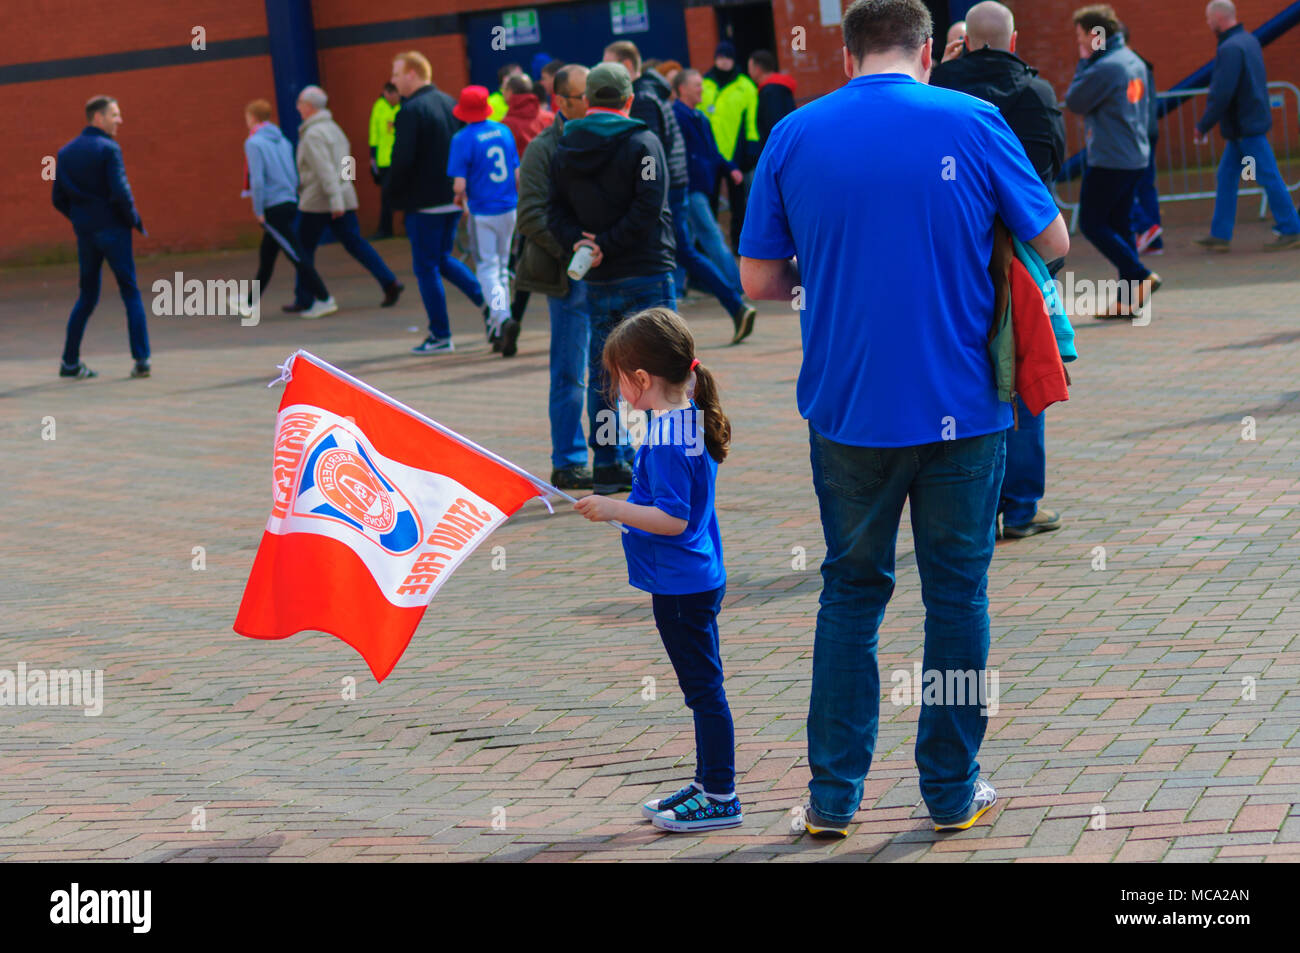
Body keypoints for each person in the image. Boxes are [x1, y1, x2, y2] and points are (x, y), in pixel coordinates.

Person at [739, 0, 1070, 838]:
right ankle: (952, 792)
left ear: (846, 56)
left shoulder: (795, 134)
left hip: (848, 406)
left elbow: (758, 282)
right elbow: (1056, 239)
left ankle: (833, 799)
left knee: (851, 593)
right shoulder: (976, 118)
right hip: (964, 402)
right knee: (957, 596)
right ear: (929, 50)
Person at [574, 307, 740, 833]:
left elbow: (672, 518)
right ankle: (708, 781)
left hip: (681, 585)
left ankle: (720, 795)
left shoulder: (669, 437)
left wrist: (614, 508)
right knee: (704, 687)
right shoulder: (686, 417)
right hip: (691, 579)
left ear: (641, 379)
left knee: (704, 691)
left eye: (617, 378)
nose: (615, 389)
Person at [930, 1, 1069, 540]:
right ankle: (1022, 504)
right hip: (1022, 249)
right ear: (1014, 41)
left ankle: (974, 505)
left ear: (966, 43)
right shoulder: (1035, 93)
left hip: (952, 251)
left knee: (964, 371)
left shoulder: (938, 90)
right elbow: (1050, 164)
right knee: (1025, 361)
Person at [548, 61, 676, 495]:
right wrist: (611, 242)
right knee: (662, 368)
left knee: (605, 373)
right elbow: (649, 206)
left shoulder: (565, 149)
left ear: (587, 101)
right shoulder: (643, 142)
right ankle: (665, 457)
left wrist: (586, 246)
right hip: (646, 271)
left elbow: (553, 211)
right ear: (628, 99)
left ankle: (607, 460)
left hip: (599, 279)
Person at [605, 40, 756, 344]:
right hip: (673, 186)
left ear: (626, 65)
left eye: (609, 62)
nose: (605, 69)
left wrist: (642, 190)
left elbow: (649, 151)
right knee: (679, 251)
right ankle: (730, 306)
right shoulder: (653, 91)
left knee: (675, 253)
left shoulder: (644, 97)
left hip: (666, 190)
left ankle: (726, 308)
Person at [517, 65, 593, 488]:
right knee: (570, 372)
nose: (594, 102)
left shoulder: (606, 137)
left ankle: (615, 453)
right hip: (571, 276)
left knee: (610, 373)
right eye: (585, 96)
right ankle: (568, 460)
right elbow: (529, 216)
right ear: (561, 101)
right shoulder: (542, 149)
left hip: (609, 273)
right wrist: (576, 250)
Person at [387, 51, 486, 355]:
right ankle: (493, 308)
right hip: (450, 199)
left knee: (426, 267)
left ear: (412, 74)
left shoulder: (410, 111)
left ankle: (440, 335)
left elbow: (402, 160)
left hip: (424, 203)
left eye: (396, 73)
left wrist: (392, 194)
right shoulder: (449, 104)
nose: (393, 80)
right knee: (443, 259)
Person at [1065, 4, 1160, 319]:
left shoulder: (1105, 67)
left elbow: (1076, 100)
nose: (1078, 44)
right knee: (1120, 225)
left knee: (1092, 223)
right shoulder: (1131, 59)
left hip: (1111, 157)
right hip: (1134, 154)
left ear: (1095, 36)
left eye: (1081, 37)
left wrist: (1083, 61)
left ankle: (1140, 273)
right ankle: (1128, 301)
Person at [51, 95, 151, 380]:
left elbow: (57, 198)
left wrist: (81, 218)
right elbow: (120, 191)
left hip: (86, 234)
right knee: (130, 291)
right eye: (115, 115)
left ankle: (70, 362)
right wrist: (132, 219)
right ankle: (142, 360)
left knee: (87, 296)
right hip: (114, 230)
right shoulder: (109, 149)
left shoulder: (66, 152)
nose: (120, 120)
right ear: (98, 118)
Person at [1192, 0, 1300, 251]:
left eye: (1208, 19)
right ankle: (1220, 234)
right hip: (1247, 125)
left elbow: (1223, 92)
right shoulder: (1249, 41)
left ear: (1218, 18)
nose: (1207, 24)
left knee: (1267, 175)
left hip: (1244, 128)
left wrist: (1204, 124)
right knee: (1228, 176)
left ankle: (1292, 228)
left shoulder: (1229, 48)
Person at [293, 85, 403, 316]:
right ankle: (389, 282)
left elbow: (323, 170)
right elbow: (347, 163)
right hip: (340, 196)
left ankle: (304, 297)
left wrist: (335, 199)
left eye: (301, 103)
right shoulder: (335, 129)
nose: (298, 107)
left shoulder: (313, 134)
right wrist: (345, 189)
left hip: (320, 200)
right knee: (356, 243)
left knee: (302, 249)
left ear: (310, 107)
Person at [241, 98, 332, 319]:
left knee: (296, 255)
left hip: (273, 206)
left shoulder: (253, 143)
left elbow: (258, 180)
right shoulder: (283, 141)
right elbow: (293, 172)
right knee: (268, 255)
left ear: (252, 118)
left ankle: (325, 298)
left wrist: (258, 209)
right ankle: (250, 302)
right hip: (289, 200)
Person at [448, 86, 521, 353]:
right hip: (508, 207)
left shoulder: (462, 138)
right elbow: (517, 173)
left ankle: (502, 319)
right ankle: (499, 321)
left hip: (482, 211)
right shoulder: (504, 131)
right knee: (502, 269)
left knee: (488, 270)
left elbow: (458, 186)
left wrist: (460, 200)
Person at [673, 70, 748, 306]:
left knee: (684, 238)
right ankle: (736, 285)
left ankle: (680, 288)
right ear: (682, 88)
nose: (701, 90)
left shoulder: (700, 117)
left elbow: (712, 151)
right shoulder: (677, 116)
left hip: (702, 186)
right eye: (697, 85)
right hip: (690, 187)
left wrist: (730, 168)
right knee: (709, 234)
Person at [700, 42, 759, 248]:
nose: (723, 60)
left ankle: (738, 244)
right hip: (710, 153)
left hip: (736, 153)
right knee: (710, 201)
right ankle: (708, 246)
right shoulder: (704, 84)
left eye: (727, 57)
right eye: (720, 56)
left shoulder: (746, 85)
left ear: (733, 60)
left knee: (738, 203)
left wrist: (752, 146)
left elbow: (751, 121)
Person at [1123, 28, 1163, 255]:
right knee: (1145, 185)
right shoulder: (1139, 63)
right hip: (1146, 131)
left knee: (1124, 185)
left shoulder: (1131, 65)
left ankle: (1146, 227)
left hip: (1136, 133)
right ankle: (1153, 239)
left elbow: (1133, 101)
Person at [748, 50, 797, 158]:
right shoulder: (779, 87)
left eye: (750, 68)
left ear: (758, 69)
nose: (749, 72)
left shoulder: (770, 92)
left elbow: (774, 126)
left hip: (778, 152)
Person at [368, 82, 401, 239]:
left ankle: (408, 226)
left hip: (401, 157)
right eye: (388, 94)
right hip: (384, 159)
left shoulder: (404, 105)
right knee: (386, 196)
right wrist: (372, 156)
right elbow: (374, 132)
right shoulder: (379, 106)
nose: (391, 97)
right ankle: (385, 229)